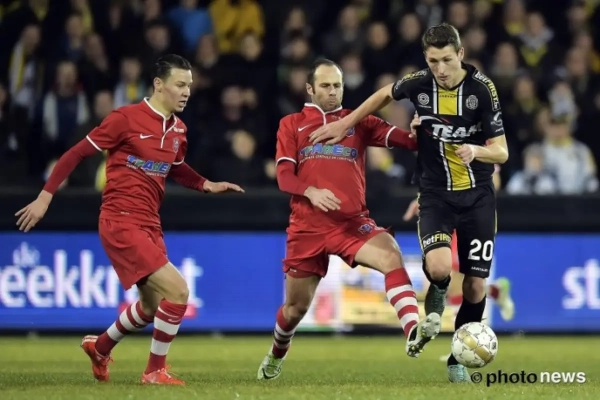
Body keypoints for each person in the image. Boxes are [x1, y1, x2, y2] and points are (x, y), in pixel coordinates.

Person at [15, 54, 244, 385]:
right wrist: (45, 196)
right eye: (180, 84)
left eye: (189, 86)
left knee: (151, 308)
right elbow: (76, 153)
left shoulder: (179, 130)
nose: (186, 92)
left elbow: (176, 167)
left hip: (151, 222)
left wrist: (206, 184)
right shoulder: (125, 119)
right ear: (158, 84)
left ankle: (100, 347)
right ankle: (154, 371)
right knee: (179, 291)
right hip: (120, 220)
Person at [309, 24, 509, 383]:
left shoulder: (482, 90)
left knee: (475, 286)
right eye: (433, 61)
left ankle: (457, 359)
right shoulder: (419, 83)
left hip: (478, 196)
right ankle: (439, 289)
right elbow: (383, 95)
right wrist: (346, 124)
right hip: (434, 194)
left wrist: (476, 150)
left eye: (447, 60)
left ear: (461, 54)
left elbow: (502, 151)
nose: (440, 69)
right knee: (438, 267)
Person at [257, 58, 441, 381]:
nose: (332, 92)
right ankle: (276, 354)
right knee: (295, 310)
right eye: (325, 86)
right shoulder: (292, 124)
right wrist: (310, 191)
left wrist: (418, 132)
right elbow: (284, 176)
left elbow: (408, 142)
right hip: (308, 228)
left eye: (337, 85)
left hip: (352, 224)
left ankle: (413, 330)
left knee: (391, 254)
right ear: (310, 88)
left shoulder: (359, 121)